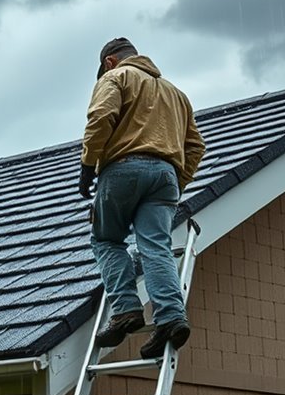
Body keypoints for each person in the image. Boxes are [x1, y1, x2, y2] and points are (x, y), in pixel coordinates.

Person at [79, 37, 206, 359]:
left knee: (107, 240)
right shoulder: (177, 94)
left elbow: (101, 117)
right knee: (155, 246)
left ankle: (126, 311)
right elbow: (195, 146)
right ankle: (171, 318)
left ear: (109, 61)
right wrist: (177, 182)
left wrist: (87, 165)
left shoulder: (116, 77)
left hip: (123, 169)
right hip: (165, 176)